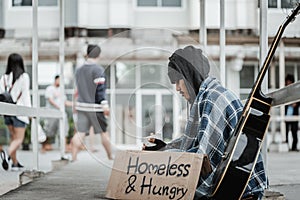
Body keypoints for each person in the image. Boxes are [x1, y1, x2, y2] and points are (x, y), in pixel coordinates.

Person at [143, 46, 267, 199]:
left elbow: (204, 159)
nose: (177, 88)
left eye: (178, 81)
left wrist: (162, 158)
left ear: (189, 75)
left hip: (244, 190)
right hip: (238, 183)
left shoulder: (212, 99)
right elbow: (201, 142)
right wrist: (165, 148)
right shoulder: (209, 93)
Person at [71, 44, 112, 161]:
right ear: (98, 55)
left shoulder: (79, 70)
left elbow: (78, 89)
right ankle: (110, 156)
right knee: (104, 133)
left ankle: (73, 157)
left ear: (87, 54)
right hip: (95, 108)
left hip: (82, 106)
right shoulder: (98, 69)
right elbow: (100, 91)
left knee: (80, 133)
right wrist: (105, 105)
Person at [0, 53, 31, 171]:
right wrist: (29, 111)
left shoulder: (3, 78)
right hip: (19, 111)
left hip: (7, 111)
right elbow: (26, 95)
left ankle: (15, 163)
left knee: (13, 138)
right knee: (19, 139)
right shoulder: (24, 77)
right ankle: (7, 155)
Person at [42, 75, 72, 153]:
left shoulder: (61, 90)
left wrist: (73, 104)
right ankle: (44, 146)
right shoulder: (50, 89)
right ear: (56, 80)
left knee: (64, 129)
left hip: (61, 113)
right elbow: (50, 100)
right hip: (52, 113)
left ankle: (64, 147)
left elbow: (64, 102)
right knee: (49, 130)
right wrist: (59, 107)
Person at [284, 74, 299, 152]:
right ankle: (286, 144)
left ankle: (294, 146)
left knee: (294, 131)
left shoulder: (295, 90)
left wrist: (295, 103)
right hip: (287, 114)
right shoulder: (285, 91)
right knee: (285, 130)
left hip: (294, 113)